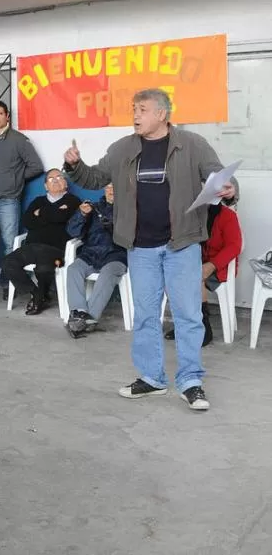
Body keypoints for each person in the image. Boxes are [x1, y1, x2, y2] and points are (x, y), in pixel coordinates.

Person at [64, 88, 235, 411]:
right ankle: (153, 378)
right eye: (133, 109)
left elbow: (218, 175)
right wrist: (73, 165)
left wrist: (228, 189)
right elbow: (94, 176)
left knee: (187, 315)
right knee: (145, 315)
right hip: (140, 247)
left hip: (181, 244)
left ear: (162, 114)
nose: (135, 115)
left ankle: (191, 381)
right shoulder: (123, 148)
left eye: (141, 109)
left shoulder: (192, 145)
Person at [0, 101, 44, 270]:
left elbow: (36, 166)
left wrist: (15, 178)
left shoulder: (19, 140)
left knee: (11, 244)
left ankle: (9, 283)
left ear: (7, 116)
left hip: (8, 202)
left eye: (0, 114)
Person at [165, 192, 242, 347]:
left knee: (195, 275)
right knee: (170, 276)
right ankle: (184, 324)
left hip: (219, 266)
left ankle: (204, 327)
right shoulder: (190, 215)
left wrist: (212, 265)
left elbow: (234, 246)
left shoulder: (227, 216)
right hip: (195, 262)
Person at [2, 169, 80, 315]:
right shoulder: (38, 201)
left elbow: (61, 218)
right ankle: (36, 293)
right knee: (8, 263)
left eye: (59, 177)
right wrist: (55, 212)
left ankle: (39, 297)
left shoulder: (73, 201)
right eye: (51, 179)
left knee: (43, 266)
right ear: (45, 186)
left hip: (56, 251)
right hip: (32, 247)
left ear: (65, 183)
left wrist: (40, 214)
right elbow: (27, 221)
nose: (56, 180)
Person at [64, 184, 128, 338]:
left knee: (108, 274)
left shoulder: (129, 210)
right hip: (91, 254)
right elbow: (72, 231)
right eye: (108, 187)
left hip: (115, 255)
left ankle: (89, 319)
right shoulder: (94, 208)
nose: (112, 190)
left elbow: (131, 238)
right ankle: (79, 312)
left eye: (115, 187)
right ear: (104, 190)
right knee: (73, 269)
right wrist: (81, 214)